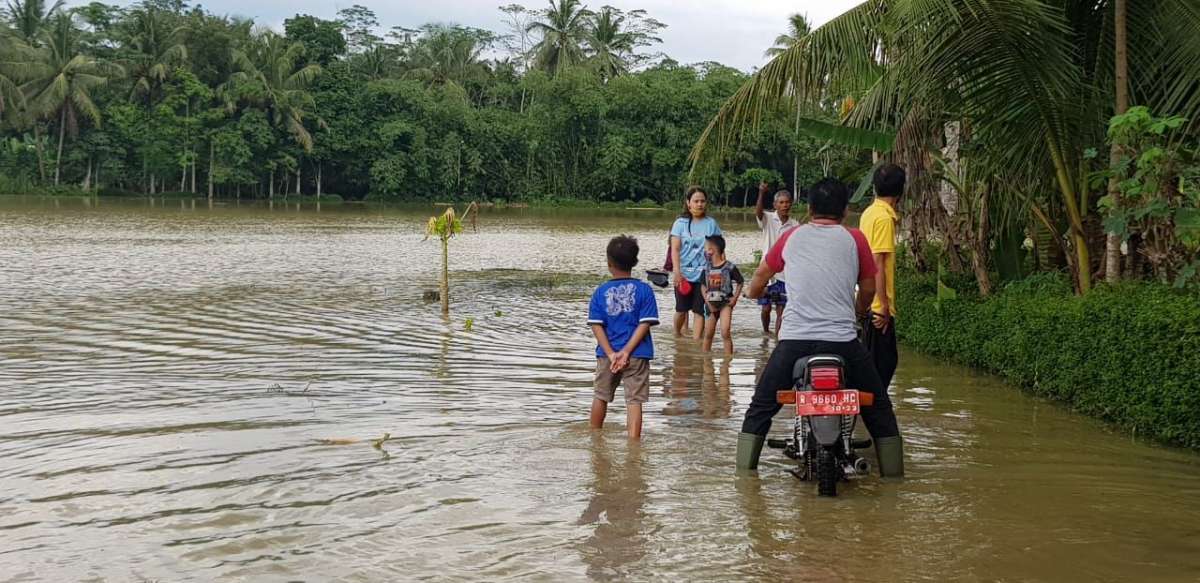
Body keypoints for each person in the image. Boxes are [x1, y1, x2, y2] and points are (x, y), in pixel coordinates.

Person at [734, 178, 904, 477]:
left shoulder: (791, 238)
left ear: (809, 208)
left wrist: (753, 293)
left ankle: (745, 477)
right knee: (879, 409)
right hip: (843, 341)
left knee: (760, 408)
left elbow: (759, 279)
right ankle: (894, 478)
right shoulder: (856, 239)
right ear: (846, 211)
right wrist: (859, 311)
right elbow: (867, 289)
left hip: (795, 341)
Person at [588, 235, 660, 440]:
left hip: (606, 356)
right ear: (635, 262)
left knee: (600, 396)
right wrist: (627, 351)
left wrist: (612, 354)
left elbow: (597, 326)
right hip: (637, 354)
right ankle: (634, 445)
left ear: (609, 263)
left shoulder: (600, 292)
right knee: (634, 401)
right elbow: (644, 324)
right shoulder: (645, 290)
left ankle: (594, 439)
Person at [859, 163, 904, 392]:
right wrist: (884, 307)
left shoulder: (869, 213)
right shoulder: (884, 219)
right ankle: (875, 424)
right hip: (878, 308)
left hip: (868, 302)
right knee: (882, 370)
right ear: (900, 191)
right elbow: (877, 262)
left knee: (874, 370)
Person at [670, 187, 722, 340]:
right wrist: (677, 272)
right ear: (688, 203)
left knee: (699, 311)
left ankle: (696, 343)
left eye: (702, 201)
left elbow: (719, 249)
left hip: (705, 275)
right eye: (696, 201)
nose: (700, 204)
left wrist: (719, 272)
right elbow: (675, 249)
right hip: (684, 274)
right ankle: (677, 337)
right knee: (681, 309)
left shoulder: (711, 224)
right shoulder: (679, 223)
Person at [754, 181, 799, 337]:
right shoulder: (767, 218)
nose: (785, 205)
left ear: (791, 204)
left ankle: (778, 340)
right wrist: (761, 193)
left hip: (785, 274)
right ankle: (766, 333)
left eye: (787, 202)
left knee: (782, 310)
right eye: (781, 202)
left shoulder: (795, 225)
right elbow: (758, 212)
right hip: (767, 272)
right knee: (766, 308)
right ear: (775, 205)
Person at [700, 235, 744, 355]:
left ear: (712, 250)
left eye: (706, 248)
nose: (705, 251)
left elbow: (740, 282)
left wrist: (734, 299)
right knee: (708, 333)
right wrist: (707, 303)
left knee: (725, 331)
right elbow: (703, 286)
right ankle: (706, 360)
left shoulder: (729, 267)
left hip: (726, 304)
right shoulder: (707, 268)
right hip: (710, 304)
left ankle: (727, 360)